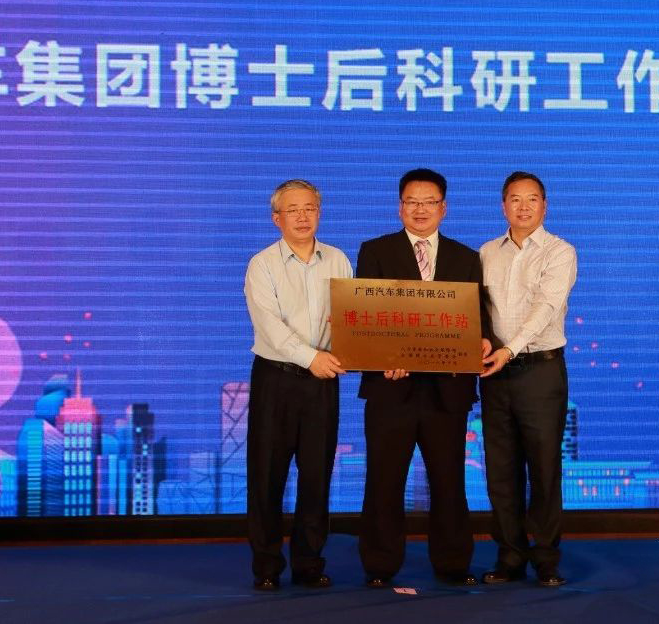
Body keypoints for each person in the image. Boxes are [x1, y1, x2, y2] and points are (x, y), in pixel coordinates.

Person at [355, 168, 485, 588]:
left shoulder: (466, 258)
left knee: (448, 481)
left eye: (429, 202)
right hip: (391, 386)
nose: (420, 209)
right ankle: (380, 565)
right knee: (383, 480)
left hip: (447, 390)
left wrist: (479, 343)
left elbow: (475, 320)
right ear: (400, 207)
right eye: (412, 202)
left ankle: (453, 563)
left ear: (444, 208)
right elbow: (367, 318)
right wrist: (382, 357)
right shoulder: (375, 251)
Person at [243, 179, 351, 592]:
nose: (303, 216)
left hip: (323, 382)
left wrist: (353, 348)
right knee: (267, 475)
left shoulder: (338, 260)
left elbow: (349, 318)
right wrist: (311, 357)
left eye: (310, 208)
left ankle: (309, 563)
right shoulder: (262, 264)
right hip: (276, 378)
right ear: (277, 219)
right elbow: (269, 326)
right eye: (293, 210)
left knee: (316, 475)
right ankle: (267, 565)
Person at [477, 171, 577, 587]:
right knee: (500, 469)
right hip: (494, 374)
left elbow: (546, 308)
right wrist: (484, 341)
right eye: (515, 199)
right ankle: (510, 556)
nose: (523, 207)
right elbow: (477, 310)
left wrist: (509, 348)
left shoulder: (560, 252)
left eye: (532, 199)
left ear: (544, 206)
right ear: (503, 206)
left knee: (544, 467)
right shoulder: (486, 252)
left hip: (540, 371)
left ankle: (546, 558)